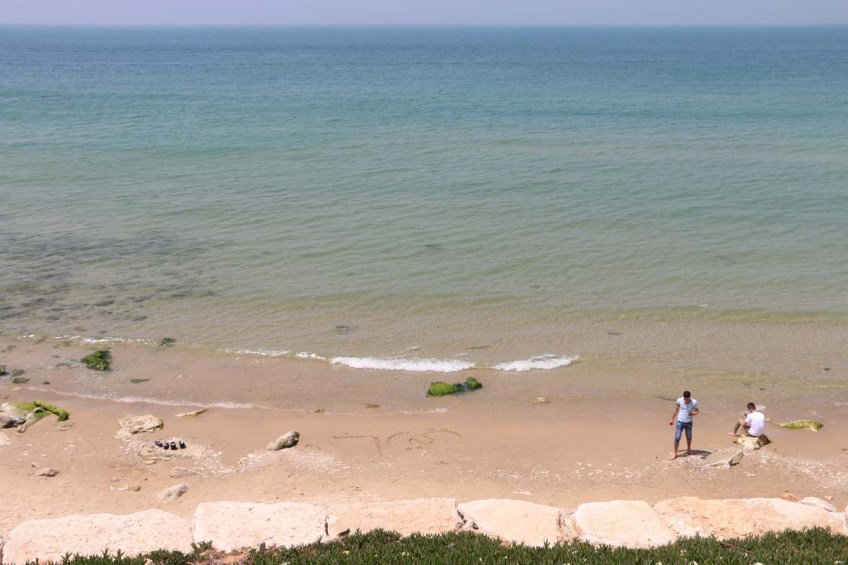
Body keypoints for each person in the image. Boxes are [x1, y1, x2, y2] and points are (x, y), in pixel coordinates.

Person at [669, 390, 699, 459]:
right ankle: (675, 454)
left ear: (689, 397)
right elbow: (676, 410)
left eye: (687, 399)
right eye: (685, 399)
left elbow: (697, 411)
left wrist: (692, 414)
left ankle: (689, 449)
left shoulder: (694, 402)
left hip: (689, 422)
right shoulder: (679, 400)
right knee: (677, 437)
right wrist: (672, 419)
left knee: (689, 436)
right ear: (683, 397)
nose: (686, 400)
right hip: (680, 422)